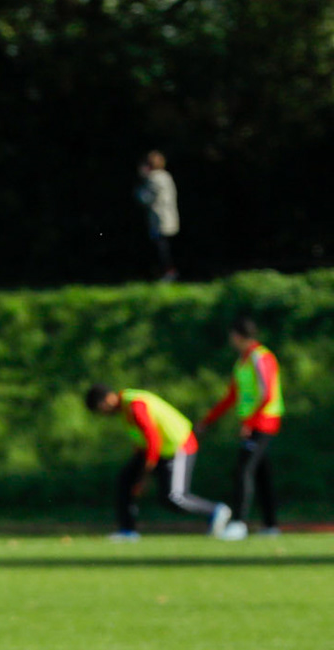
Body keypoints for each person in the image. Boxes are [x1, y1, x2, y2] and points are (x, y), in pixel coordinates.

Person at [84, 384, 232, 540]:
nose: (104, 413)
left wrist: (144, 476)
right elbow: (141, 439)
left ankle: (216, 510)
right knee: (125, 480)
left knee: (174, 497)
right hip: (161, 450)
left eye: (101, 408)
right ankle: (127, 531)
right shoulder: (126, 407)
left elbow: (153, 439)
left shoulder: (135, 405)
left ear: (107, 399)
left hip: (178, 447)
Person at [198, 314, 283, 538]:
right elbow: (231, 396)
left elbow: (266, 394)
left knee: (243, 471)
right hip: (257, 423)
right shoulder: (243, 361)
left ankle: (238, 523)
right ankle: (270, 525)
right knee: (262, 474)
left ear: (237, 336)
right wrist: (207, 420)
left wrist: (249, 423)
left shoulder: (260, 357)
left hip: (262, 423)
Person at [135, 151, 179, 281]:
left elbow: (145, 198)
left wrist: (138, 188)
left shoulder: (153, 178)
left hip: (158, 218)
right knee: (165, 246)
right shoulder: (166, 176)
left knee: (161, 247)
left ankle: (168, 273)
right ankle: (168, 272)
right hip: (168, 216)